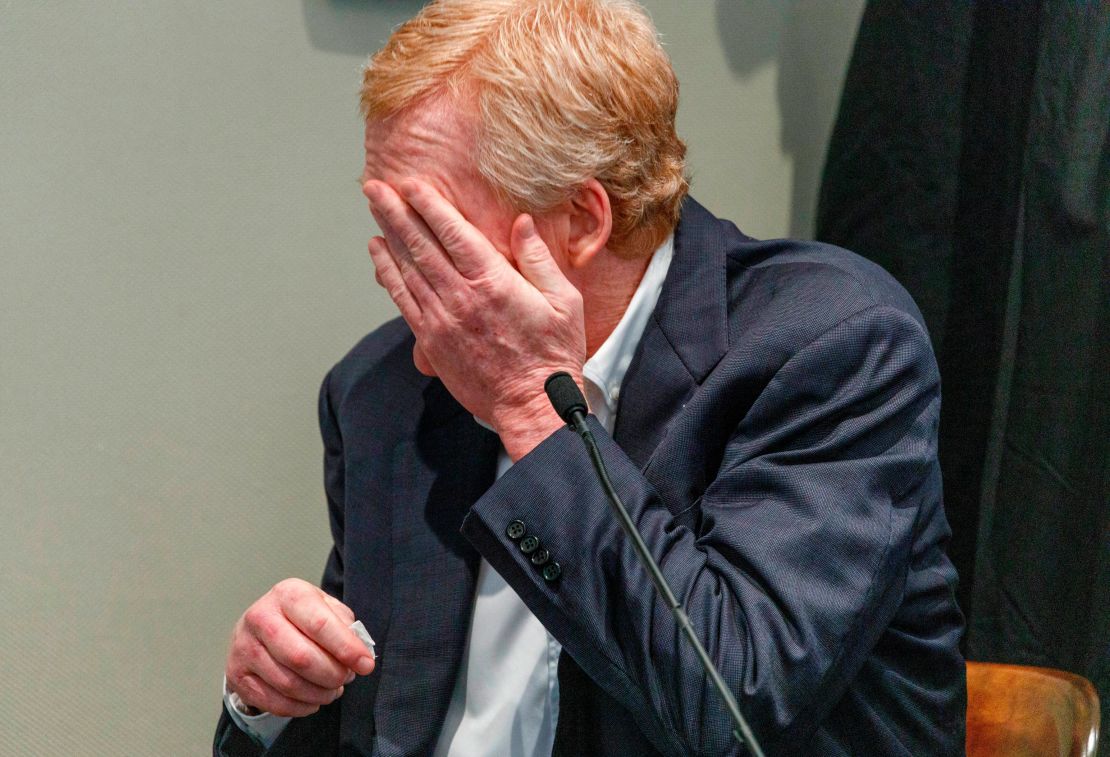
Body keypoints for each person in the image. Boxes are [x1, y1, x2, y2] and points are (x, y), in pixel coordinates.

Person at [214, 0, 966, 754]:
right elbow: (373, 723)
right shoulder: (381, 393)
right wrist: (270, 699)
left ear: (581, 219)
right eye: (388, 228)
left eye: (429, 229)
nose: (397, 273)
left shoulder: (831, 346)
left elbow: (733, 706)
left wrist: (529, 410)